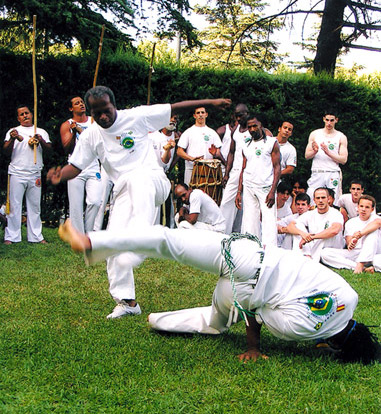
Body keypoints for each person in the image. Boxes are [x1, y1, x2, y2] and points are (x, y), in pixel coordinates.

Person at [59, 219, 380, 365]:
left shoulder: (350, 295)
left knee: (165, 239)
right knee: (217, 320)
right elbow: (254, 313)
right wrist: (253, 347)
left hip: (247, 252)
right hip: (243, 282)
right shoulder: (302, 330)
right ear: (336, 347)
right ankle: (159, 321)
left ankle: (92, 242)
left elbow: (257, 306)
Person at [47, 85, 231, 319]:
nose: (103, 117)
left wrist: (212, 102)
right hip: (124, 191)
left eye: (106, 110)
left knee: (137, 180)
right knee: (114, 239)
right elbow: (76, 166)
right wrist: (59, 175)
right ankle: (127, 302)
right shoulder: (92, 134)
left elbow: (176, 108)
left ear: (114, 105)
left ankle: (140, 242)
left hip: (152, 181)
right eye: (97, 113)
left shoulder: (135, 117)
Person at [3, 105, 51, 244]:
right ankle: (12, 236)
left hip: (34, 173)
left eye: (27, 113)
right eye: (21, 114)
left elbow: (49, 150)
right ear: (18, 118)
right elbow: (5, 152)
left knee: (35, 206)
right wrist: (12, 139)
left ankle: (36, 236)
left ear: (31, 114)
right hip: (17, 172)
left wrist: (40, 140)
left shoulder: (41, 131)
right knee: (14, 206)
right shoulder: (13, 131)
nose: (25, 115)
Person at [235, 116, 281, 247]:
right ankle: (250, 247)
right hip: (249, 185)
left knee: (269, 219)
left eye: (255, 126)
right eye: (249, 127)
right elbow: (243, 168)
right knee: (249, 218)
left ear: (261, 125)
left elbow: (277, 167)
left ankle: (270, 250)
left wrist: (273, 190)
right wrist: (239, 191)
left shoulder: (272, 142)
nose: (252, 129)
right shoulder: (246, 145)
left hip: (266, 187)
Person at [60, 96, 102, 233]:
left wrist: (80, 131)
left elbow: (98, 142)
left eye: (82, 102)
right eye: (77, 103)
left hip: (93, 165)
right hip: (75, 167)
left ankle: (88, 233)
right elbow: (67, 148)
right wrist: (73, 133)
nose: (81, 105)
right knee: (76, 206)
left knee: (95, 201)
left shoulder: (93, 122)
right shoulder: (67, 124)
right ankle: (78, 236)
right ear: (71, 108)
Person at [321, 195, 380, 274]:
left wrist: (360, 234)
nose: (363, 209)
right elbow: (348, 241)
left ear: (372, 209)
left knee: (372, 232)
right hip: (356, 253)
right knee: (325, 253)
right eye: (361, 206)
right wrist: (352, 243)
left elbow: (377, 223)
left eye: (367, 207)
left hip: (375, 254)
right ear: (357, 207)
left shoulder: (376, 218)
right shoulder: (351, 222)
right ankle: (362, 268)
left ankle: (360, 264)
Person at [287, 187, 344, 260]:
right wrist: (303, 234)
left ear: (328, 199)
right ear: (314, 200)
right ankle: (305, 255)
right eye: (318, 198)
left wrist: (311, 237)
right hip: (316, 247)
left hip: (331, 250)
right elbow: (290, 226)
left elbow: (335, 230)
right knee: (297, 226)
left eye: (323, 198)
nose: (320, 200)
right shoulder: (310, 214)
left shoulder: (336, 213)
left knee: (325, 250)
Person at [219, 104, 250, 234]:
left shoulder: (254, 128)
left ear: (247, 113)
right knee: (226, 202)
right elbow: (231, 152)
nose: (238, 118)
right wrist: (227, 173)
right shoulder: (236, 130)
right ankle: (222, 233)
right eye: (236, 115)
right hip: (235, 171)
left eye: (241, 115)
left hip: (249, 172)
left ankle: (241, 233)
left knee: (246, 204)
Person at [305, 110, 348, 203]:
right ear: (324, 119)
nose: (329, 123)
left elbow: (344, 159)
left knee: (334, 200)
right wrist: (315, 151)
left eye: (332, 120)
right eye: (327, 120)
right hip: (317, 171)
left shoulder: (341, 136)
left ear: (336, 120)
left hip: (332, 172)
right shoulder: (315, 134)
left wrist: (328, 153)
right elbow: (307, 156)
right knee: (312, 196)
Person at [177, 107, 224, 185]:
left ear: (206, 115)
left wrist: (215, 154)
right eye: (198, 113)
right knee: (190, 193)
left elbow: (218, 151)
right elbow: (179, 151)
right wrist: (191, 158)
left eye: (202, 112)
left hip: (209, 170)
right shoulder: (188, 132)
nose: (200, 115)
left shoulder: (212, 132)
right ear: (194, 116)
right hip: (191, 168)